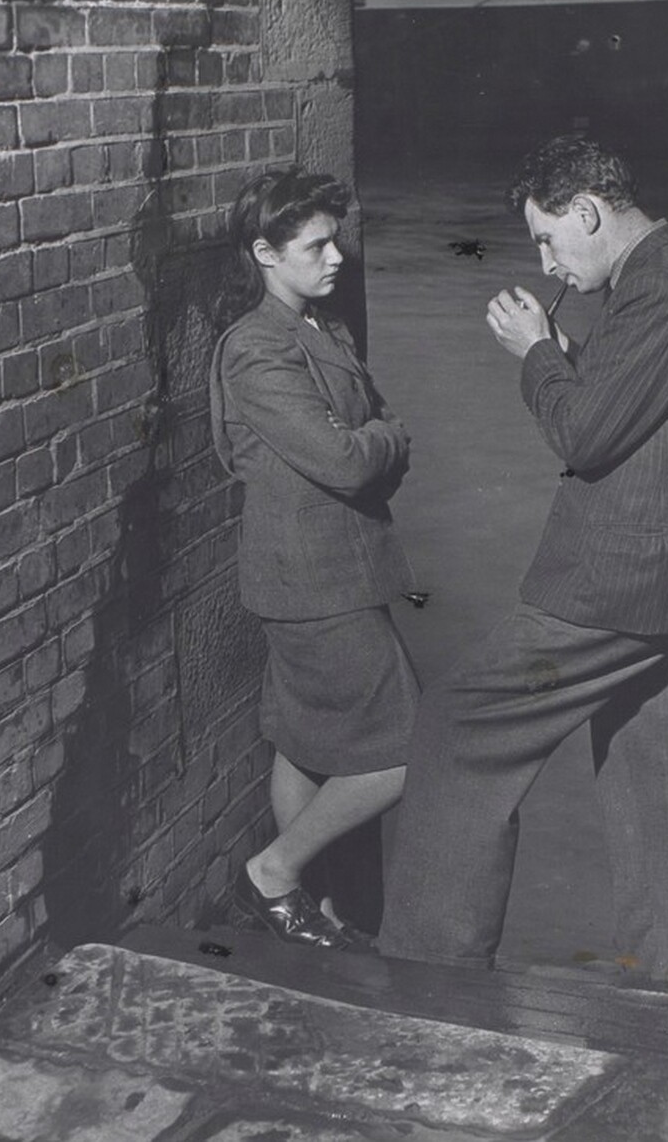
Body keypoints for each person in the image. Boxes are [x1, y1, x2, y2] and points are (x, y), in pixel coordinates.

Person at [377, 136, 668, 993]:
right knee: (661, 783)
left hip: (614, 587)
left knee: (458, 728)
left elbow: (585, 435)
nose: (545, 259)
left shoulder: (660, 293)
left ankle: (431, 975)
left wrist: (539, 349)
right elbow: (633, 412)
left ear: (588, 211)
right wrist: (572, 360)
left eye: (548, 239)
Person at [209, 169, 419, 950]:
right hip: (312, 580)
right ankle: (272, 875)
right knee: (407, 748)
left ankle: (314, 909)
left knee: (304, 741)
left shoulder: (324, 330)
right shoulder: (256, 350)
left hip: (336, 568)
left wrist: (374, 438)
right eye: (317, 245)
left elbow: (374, 421)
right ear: (265, 253)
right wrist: (381, 443)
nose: (338, 257)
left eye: (338, 239)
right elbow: (347, 459)